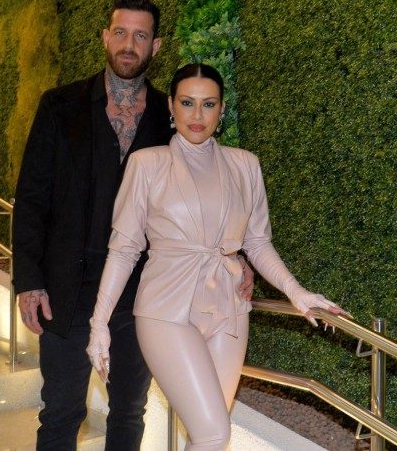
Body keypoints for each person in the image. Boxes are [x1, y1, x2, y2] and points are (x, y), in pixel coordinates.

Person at [12, 0, 253, 451]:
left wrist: (235, 257)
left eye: (140, 35)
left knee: (128, 411)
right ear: (106, 37)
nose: (129, 44)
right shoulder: (59, 106)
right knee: (61, 411)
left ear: (155, 45)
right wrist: (29, 280)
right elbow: (31, 199)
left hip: (143, 295)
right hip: (65, 289)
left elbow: (213, 194)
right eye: (121, 32)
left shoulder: (174, 115)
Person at [87, 63, 350, 450]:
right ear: (171, 107)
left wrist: (297, 292)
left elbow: (257, 243)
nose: (197, 115)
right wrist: (99, 323)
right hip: (165, 309)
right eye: (187, 103)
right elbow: (124, 249)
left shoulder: (245, 165)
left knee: (207, 435)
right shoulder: (147, 164)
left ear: (222, 109)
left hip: (230, 309)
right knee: (214, 434)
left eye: (208, 104)